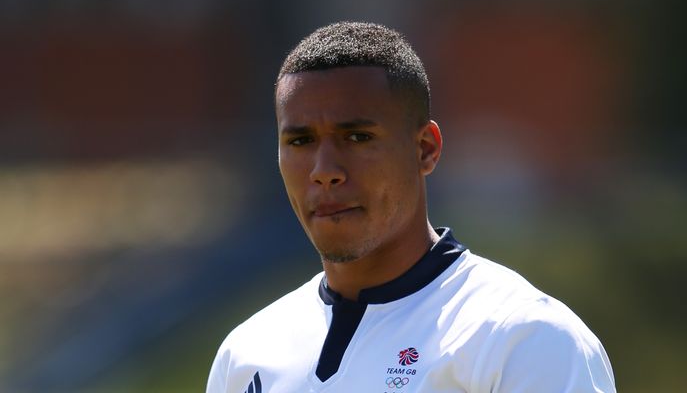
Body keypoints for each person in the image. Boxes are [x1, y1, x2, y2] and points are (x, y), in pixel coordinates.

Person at [206, 22, 616, 393]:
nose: (324, 171)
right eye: (300, 142)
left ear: (425, 149)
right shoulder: (245, 354)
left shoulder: (524, 339)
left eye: (357, 137)